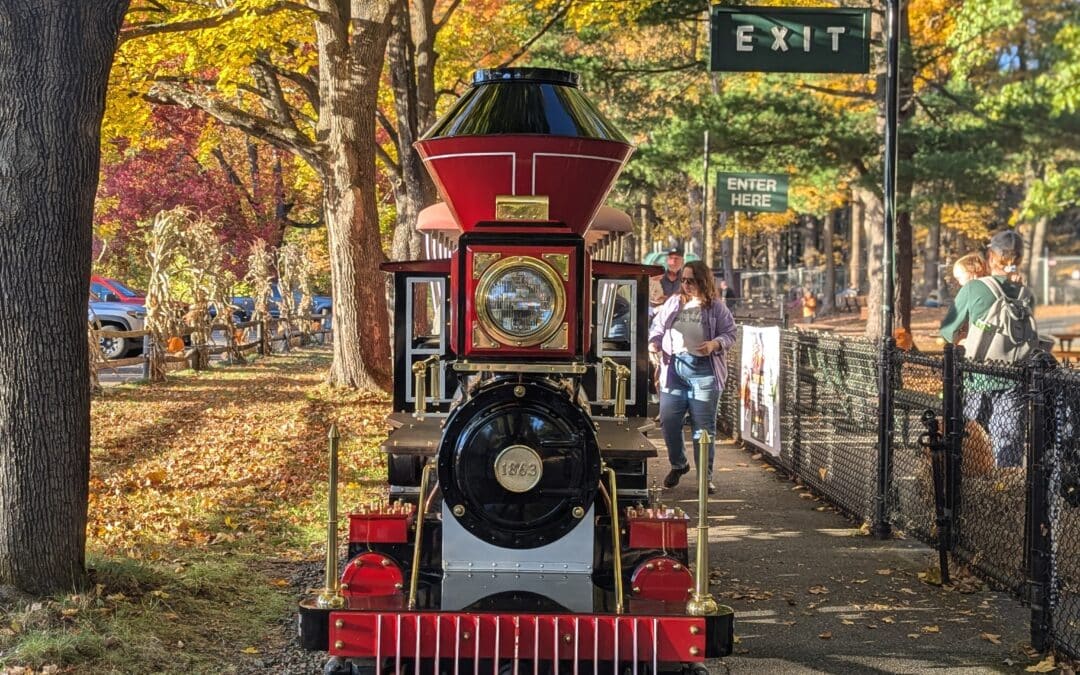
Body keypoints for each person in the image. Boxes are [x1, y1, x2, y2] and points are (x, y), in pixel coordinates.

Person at [940, 230, 1036, 467]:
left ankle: (974, 495)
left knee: (973, 442)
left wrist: (964, 334)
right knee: (1008, 443)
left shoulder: (974, 288)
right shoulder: (1026, 294)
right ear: (1020, 259)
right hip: (1015, 379)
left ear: (991, 256)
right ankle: (1005, 492)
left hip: (978, 377)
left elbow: (948, 331)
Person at [649, 260, 737, 495]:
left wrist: (714, 344)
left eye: (691, 280)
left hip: (704, 372)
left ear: (703, 281)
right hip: (674, 368)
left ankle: (704, 478)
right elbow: (657, 327)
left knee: (703, 429)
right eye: (683, 280)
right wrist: (654, 343)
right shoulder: (674, 303)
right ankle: (679, 464)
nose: (686, 285)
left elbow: (730, 333)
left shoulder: (716, 307)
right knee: (669, 420)